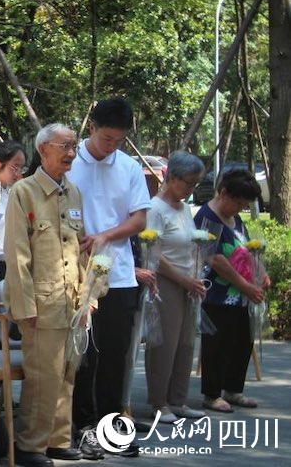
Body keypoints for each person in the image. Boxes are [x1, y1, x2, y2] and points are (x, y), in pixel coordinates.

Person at [67, 97, 151, 459]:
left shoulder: (129, 167)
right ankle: (83, 427)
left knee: (116, 356)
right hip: (77, 277)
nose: (111, 146)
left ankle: (113, 426)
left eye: (119, 141)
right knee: (84, 355)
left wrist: (106, 235)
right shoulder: (69, 162)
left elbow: (139, 219)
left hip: (118, 276)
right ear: (91, 128)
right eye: (106, 139)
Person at [4, 123, 86, 467]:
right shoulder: (24, 192)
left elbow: (80, 248)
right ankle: (29, 445)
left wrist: (88, 295)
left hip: (72, 301)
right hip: (42, 301)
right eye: (64, 146)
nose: (71, 153)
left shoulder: (74, 192)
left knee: (67, 371)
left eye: (74, 145)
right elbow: (17, 255)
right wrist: (24, 307)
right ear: (43, 150)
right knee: (43, 376)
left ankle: (58, 438)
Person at [195, 169, 268, 412]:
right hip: (218, 294)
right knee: (218, 343)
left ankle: (234, 389)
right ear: (224, 192)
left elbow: (246, 249)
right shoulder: (208, 217)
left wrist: (261, 273)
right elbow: (214, 258)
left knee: (241, 341)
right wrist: (246, 285)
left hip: (242, 296)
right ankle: (212, 394)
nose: (240, 207)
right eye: (238, 202)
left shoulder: (236, 219)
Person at [144, 151, 207, 422]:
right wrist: (183, 279)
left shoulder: (183, 208)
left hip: (188, 282)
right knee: (164, 343)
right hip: (166, 283)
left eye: (196, 183)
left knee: (185, 342)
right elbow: (154, 254)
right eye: (188, 182)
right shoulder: (155, 209)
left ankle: (178, 399)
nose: (191, 188)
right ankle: (160, 402)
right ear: (170, 178)